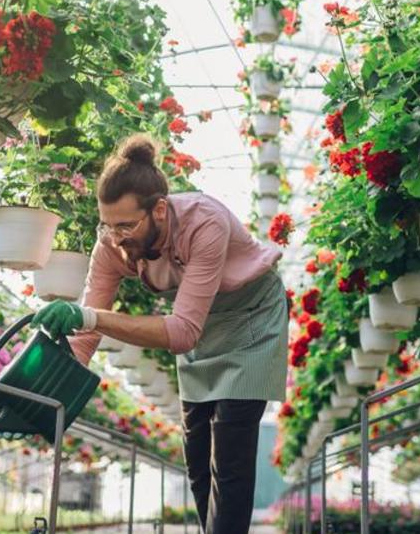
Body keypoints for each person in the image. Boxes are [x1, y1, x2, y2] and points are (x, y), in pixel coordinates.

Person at [32, 133, 288, 534]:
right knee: (198, 457)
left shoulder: (205, 222)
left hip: (250, 321)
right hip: (201, 325)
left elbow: (180, 331)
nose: (116, 236)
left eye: (126, 225)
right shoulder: (111, 246)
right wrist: (49, 394)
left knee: (231, 450)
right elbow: (85, 332)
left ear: (161, 211)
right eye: (107, 225)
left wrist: (91, 318)